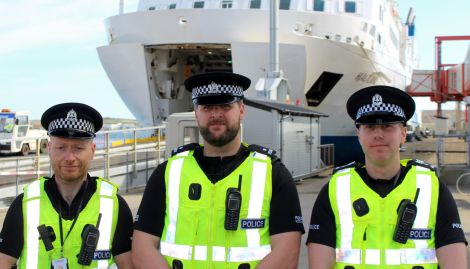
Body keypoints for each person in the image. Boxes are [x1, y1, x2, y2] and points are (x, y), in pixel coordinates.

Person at [132, 72, 305, 269]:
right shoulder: (168, 172)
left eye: (225, 106)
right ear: (196, 113)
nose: (216, 115)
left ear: (241, 110)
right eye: (207, 107)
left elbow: (287, 253)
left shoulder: (273, 174)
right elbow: (142, 247)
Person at [307, 86, 468, 268]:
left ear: (403, 134)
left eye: (387, 126)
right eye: (369, 127)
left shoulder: (431, 187)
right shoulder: (335, 189)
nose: (378, 134)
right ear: (358, 135)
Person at [0, 103, 135, 269]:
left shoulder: (114, 205)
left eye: (78, 148)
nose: (69, 157)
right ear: (49, 148)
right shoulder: (24, 205)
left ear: (92, 150)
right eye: (61, 147)